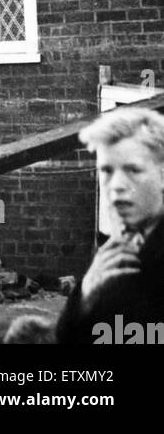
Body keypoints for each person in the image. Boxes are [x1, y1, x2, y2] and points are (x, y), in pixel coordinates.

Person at [56, 106, 164, 344]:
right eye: (106, 170)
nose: (116, 185)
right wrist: (85, 296)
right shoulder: (116, 247)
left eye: (133, 170)